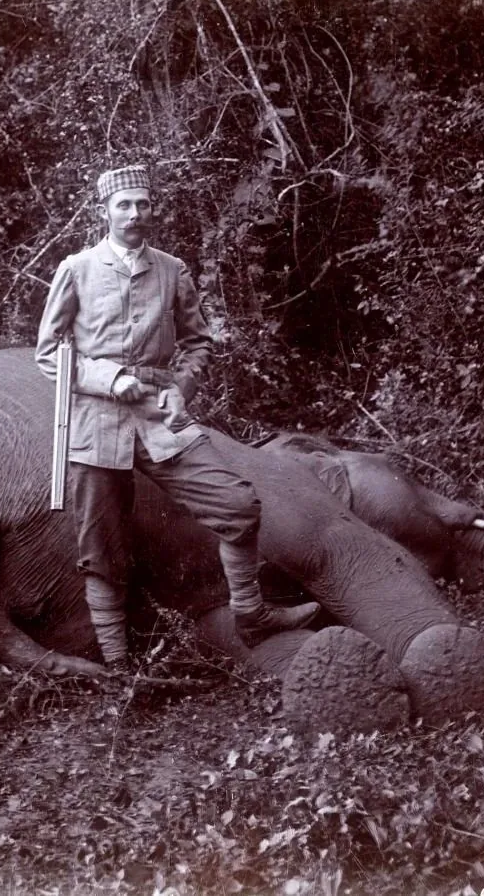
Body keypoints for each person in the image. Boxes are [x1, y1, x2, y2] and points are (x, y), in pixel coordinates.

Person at [35, 164, 319, 670]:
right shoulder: (75, 269)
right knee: (100, 545)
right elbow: (50, 352)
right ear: (104, 212)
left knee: (236, 504)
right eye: (123, 205)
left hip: (158, 412)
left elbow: (197, 342)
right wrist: (109, 379)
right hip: (95, 420)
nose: (134, 214)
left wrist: (182, 389)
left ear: (152, 210)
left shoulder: (171, 269)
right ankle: (119, 668)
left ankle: (251, 615)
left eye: (142, 204)